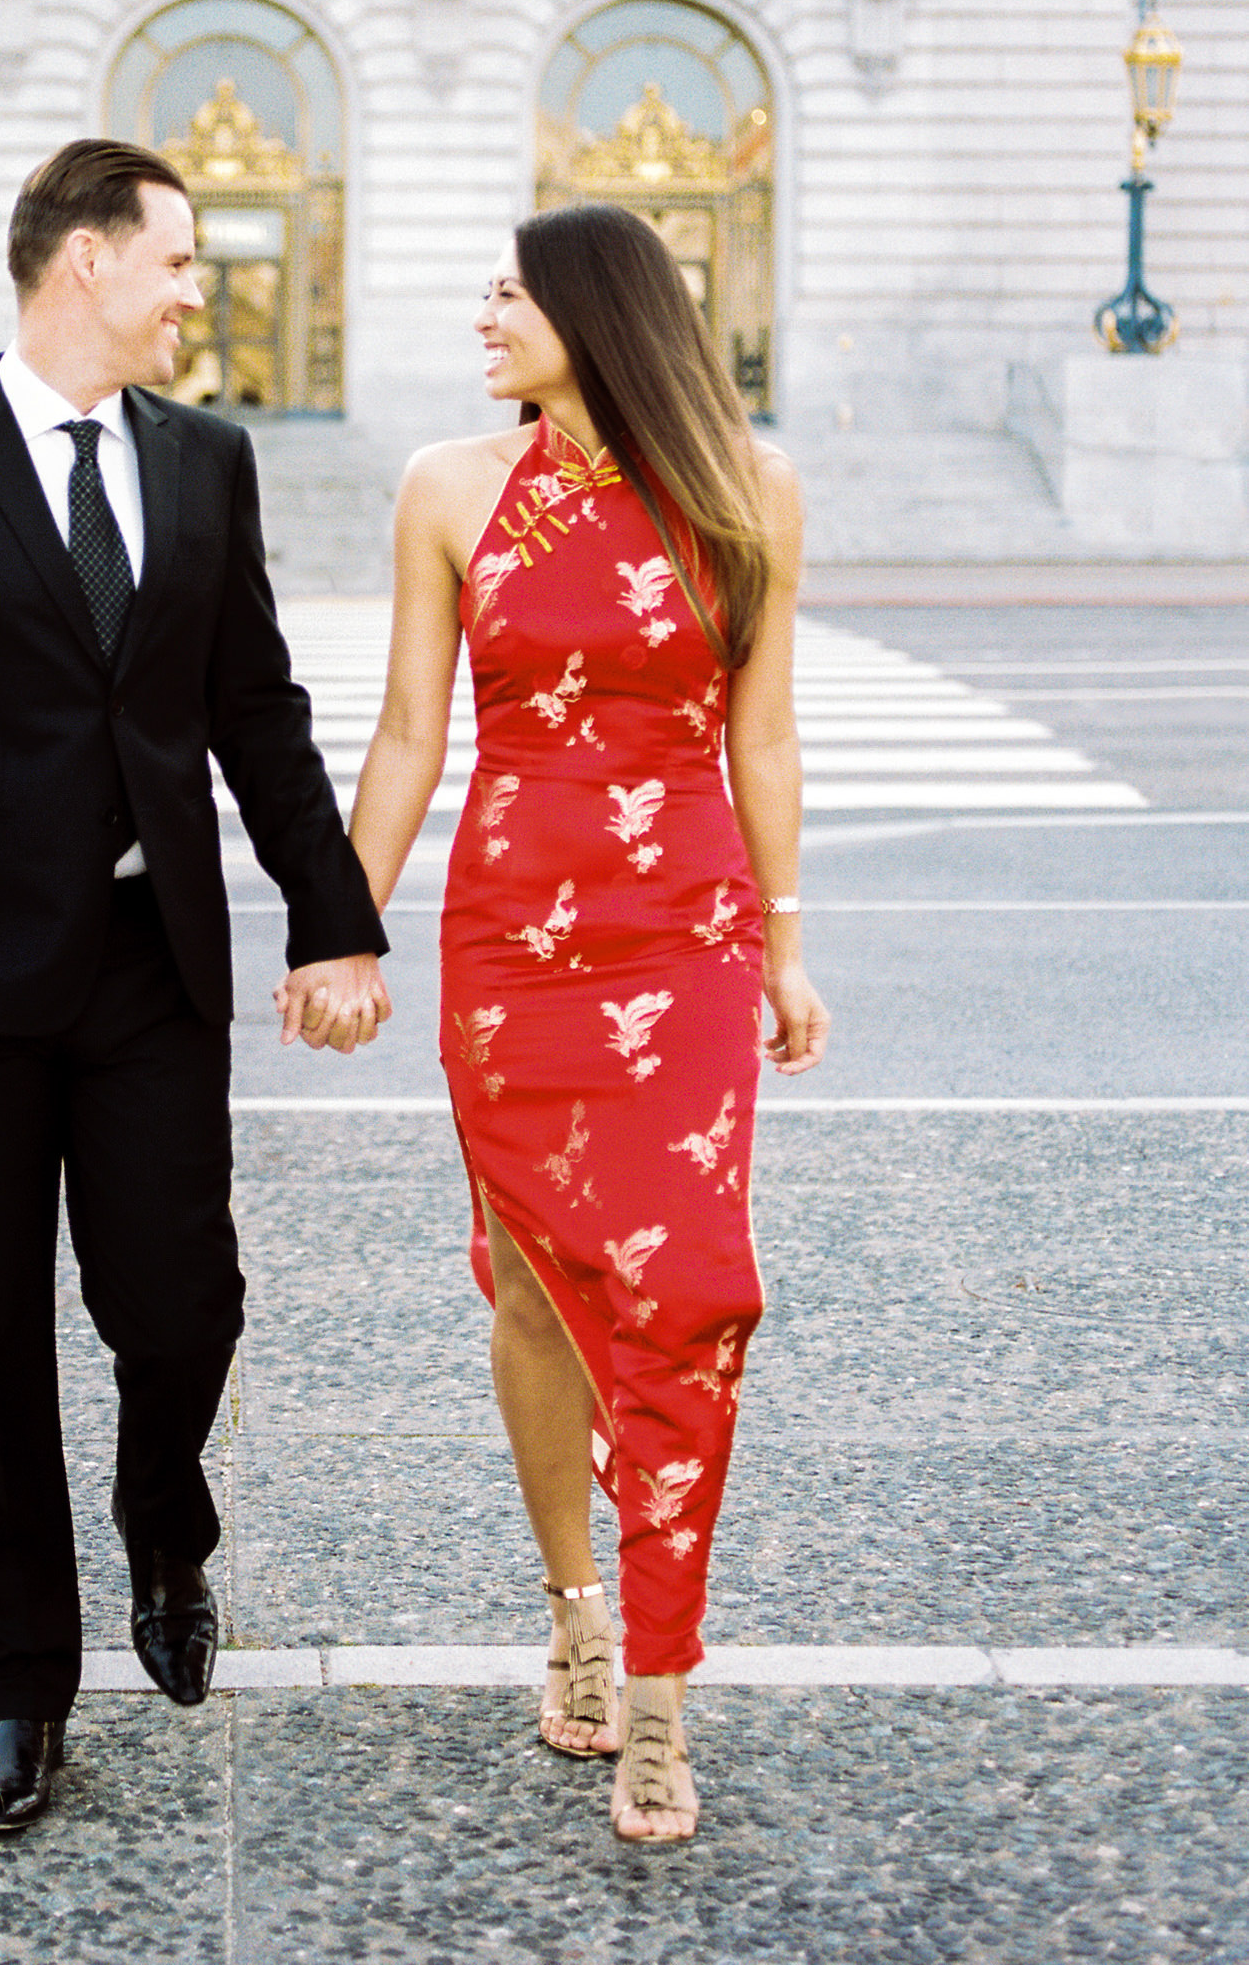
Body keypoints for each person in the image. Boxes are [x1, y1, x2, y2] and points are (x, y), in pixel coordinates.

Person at [0, 138, 391, 1836]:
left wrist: (331, 920)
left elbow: (256, 707)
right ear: (83, 265)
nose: (201, 289)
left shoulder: (208, 462)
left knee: (183, 1299)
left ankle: (159, 1515)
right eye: (180, 260)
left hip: (149, 971)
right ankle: (22, 1695)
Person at [345, 201, 828, 1846]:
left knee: (690, 1288)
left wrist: (783, 947)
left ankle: (669, 1696)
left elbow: (761, 737)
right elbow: (414, 728)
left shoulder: (745, 490)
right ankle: (580, 1622)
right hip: (509, 940)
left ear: (597, 309)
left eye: (514, 289)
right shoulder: (447, 488)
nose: (487, 310)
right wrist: (347, 926)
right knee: (542, 1293)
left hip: (683, 929)